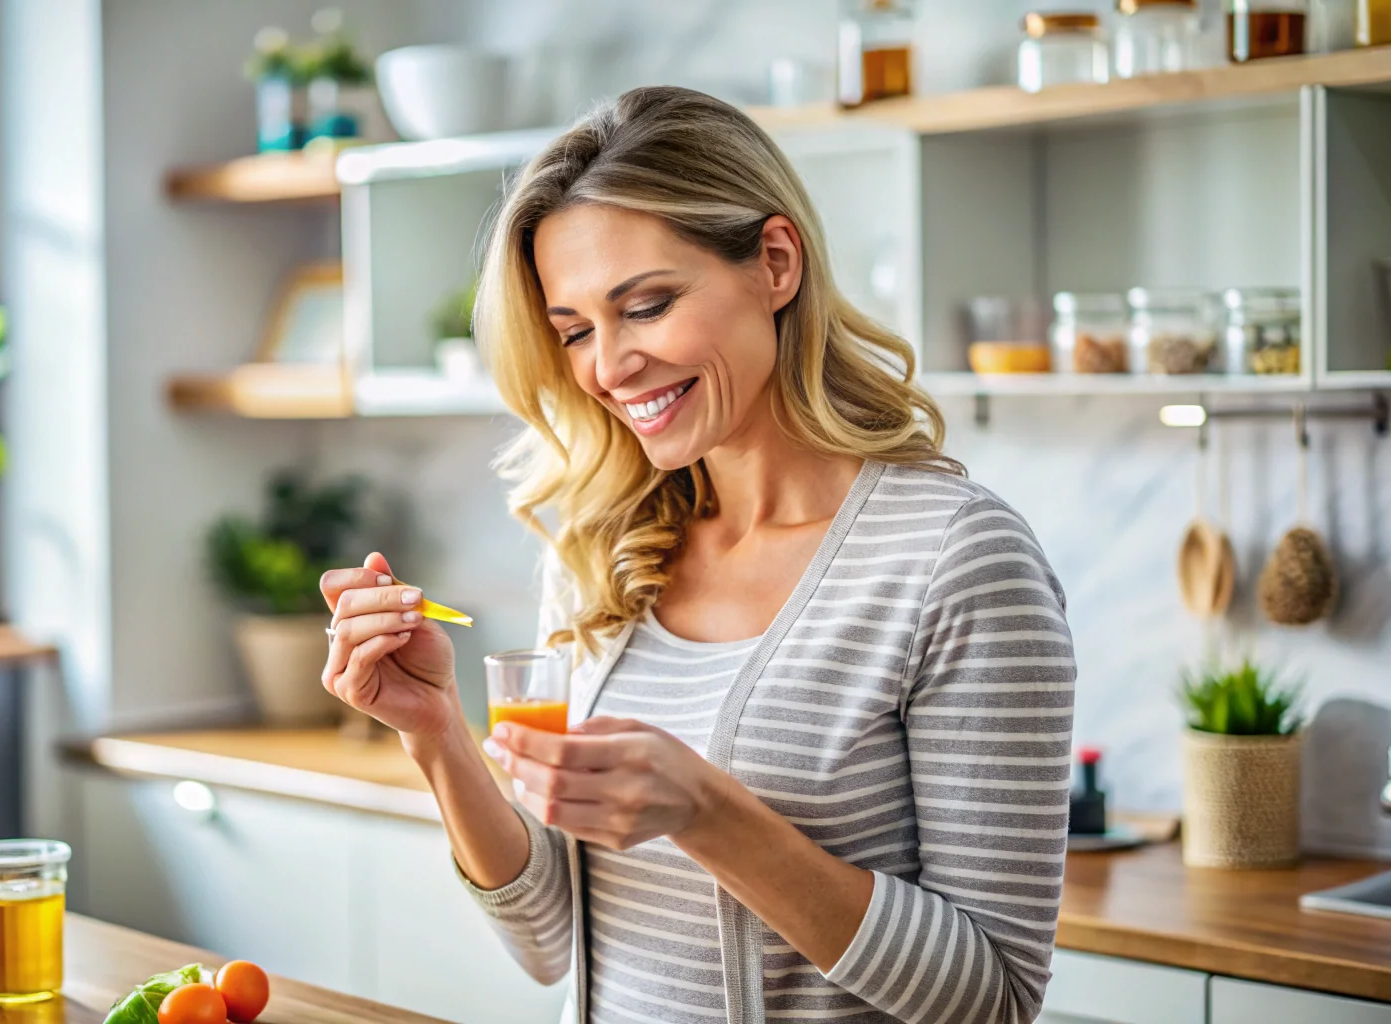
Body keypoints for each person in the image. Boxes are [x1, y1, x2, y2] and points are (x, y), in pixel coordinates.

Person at [319, 85, 1075, 1024]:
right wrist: (434, 732)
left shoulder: (956, 559)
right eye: (575, 332)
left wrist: (710, 814)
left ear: (775, 262)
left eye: (646, 305)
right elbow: (552, 942)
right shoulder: (607, 546)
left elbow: (993, 998)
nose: (609, 366)